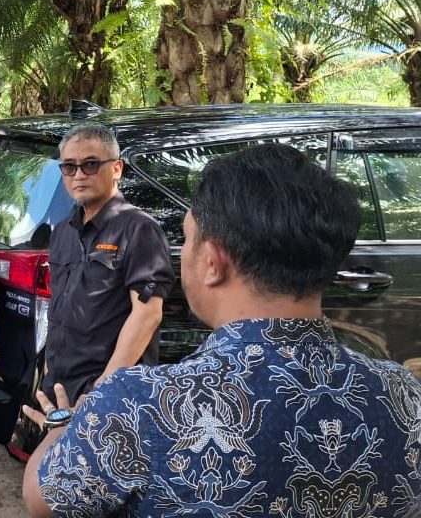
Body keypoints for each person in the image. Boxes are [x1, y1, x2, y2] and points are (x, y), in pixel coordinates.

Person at [23, 143, 421, 517]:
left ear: (212, 261)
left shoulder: (137, 404)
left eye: (189, 240)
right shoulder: (404, 395)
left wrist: (63, 426)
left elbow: (43, 499)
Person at [43, 124, 173, 404]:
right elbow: (60, 307)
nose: (78, 175)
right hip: (59, 385)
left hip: (108, 392)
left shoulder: (139, 229)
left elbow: (147, 314)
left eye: (90, 164)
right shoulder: (63, 231)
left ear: (116, 168)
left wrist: (104, 387)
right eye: (69, 166)